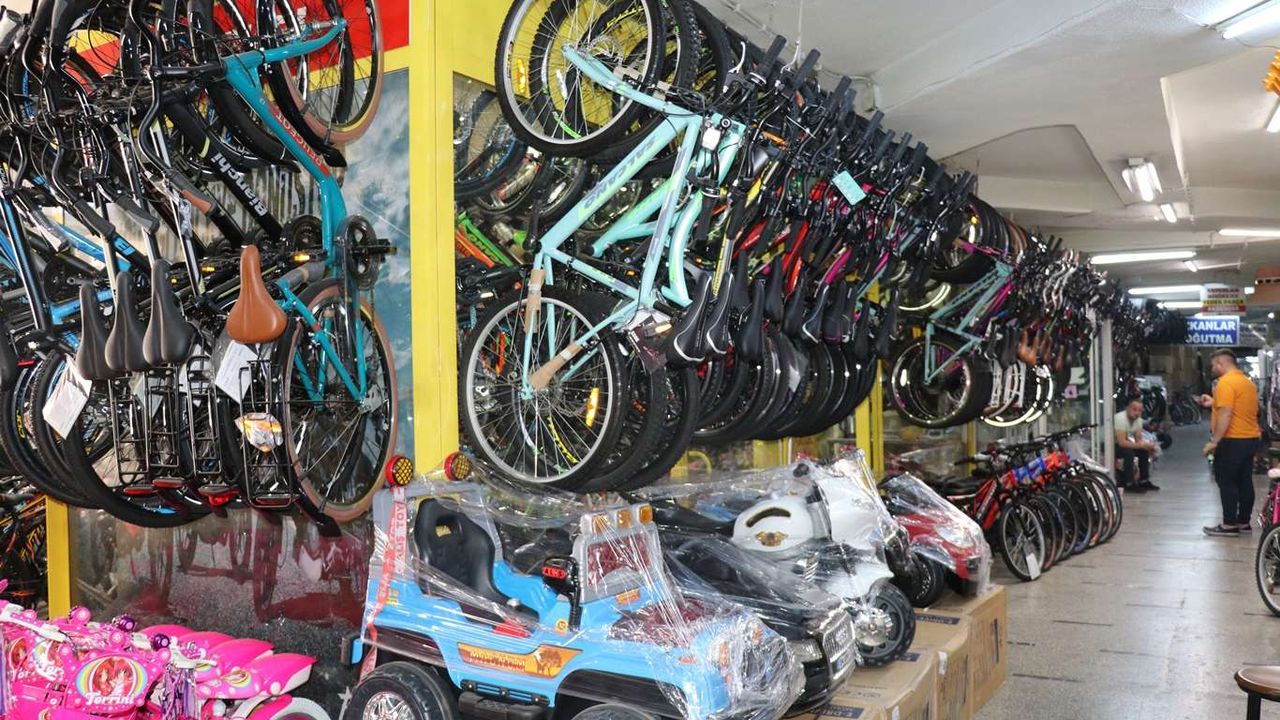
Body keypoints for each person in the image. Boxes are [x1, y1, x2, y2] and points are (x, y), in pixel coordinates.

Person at [1199, 348, 1262, 536]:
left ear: (1221, 363)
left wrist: (1214, 442)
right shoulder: (1246, 382)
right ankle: (1243, 522)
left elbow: (1226, 414)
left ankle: (1229, 525)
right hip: (1250, 438)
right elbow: (1238, 407)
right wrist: (1214, 402)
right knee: (1244, 480)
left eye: (1213, 365)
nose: (1212, 368)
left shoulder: (1225, 383)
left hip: (1232, 440)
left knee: (1226, 481)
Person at [1114, 397, 1158, 492]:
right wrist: (1142, 445)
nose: (1137, 413)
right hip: (1109, 444)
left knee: (1143, 451)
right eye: (1134, 409)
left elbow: (1138, 440)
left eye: (1139, 410)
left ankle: (1144, 480)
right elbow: (1122, 442)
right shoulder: (1120, 419)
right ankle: (1129, 483)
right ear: (1127, 409)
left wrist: (1148, 447)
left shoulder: (1138, 420)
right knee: (1128, 453)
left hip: (1122, 443)